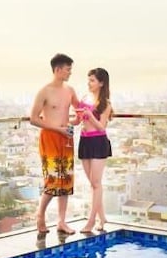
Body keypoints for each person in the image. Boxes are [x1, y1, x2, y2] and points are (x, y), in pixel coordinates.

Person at [29, 53, 81, 235]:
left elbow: (79, 111)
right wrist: (57, 128)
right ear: (58, 70)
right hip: (50, 137)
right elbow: (34, 119)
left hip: (66, 138)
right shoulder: (44, 91)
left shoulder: (70, 90)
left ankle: (61, 222)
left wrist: (76, 120)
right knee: (52, 181)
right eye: (68, 69)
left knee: (65, 181)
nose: (70, 73)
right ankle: (40, 215)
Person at [77, 67, 112, 234]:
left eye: (92, 80)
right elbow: (78, 120)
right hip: (84, 140)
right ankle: (102, 217)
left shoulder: (106, 104)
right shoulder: (84, 98)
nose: (89, 83)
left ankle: (92, 221)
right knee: (92, 183)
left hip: (98, 142)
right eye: (88, 80)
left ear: (101, 83)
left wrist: (90, 116)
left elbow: (102, 127)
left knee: (96, 183)